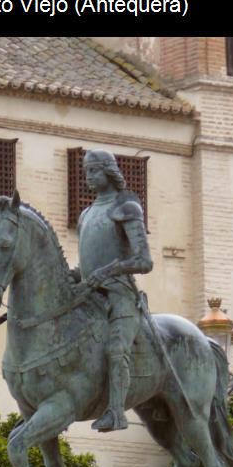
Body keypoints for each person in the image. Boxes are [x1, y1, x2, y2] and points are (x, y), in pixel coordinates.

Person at [73, 150, 153, 431]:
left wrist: (108, 271)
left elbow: (144, 261)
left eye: (94, 170)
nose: (89, 177)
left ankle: (116, 412)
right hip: (89, 293)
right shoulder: (86, 214)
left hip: (120, 295)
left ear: (109, 171)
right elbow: (86, 262)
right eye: (86, 171)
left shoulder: (127, 208)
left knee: (116, 349)